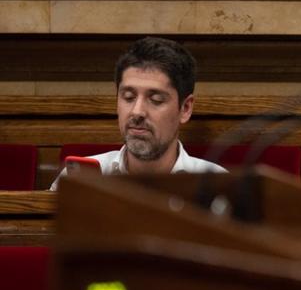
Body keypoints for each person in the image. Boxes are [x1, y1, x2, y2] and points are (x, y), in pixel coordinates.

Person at [51, 37, 225, 187]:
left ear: (185, 109)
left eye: (156, 99)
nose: (137, 111)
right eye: (128, 97)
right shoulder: (76, 179)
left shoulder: (218, 184)